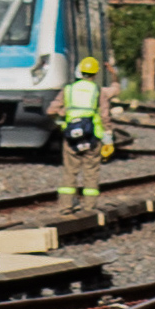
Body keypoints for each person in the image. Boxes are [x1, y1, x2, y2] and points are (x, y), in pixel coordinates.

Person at [49, 56, 106, 214]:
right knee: (91, 171)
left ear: (80, 71)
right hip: (92, 136)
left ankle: (65, 206)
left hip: (71, 137)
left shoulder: (68, 89)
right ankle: (89, 207)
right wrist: (108, 137)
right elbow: (105, 116)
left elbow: (51, 110)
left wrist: (61, 120)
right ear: (96, 73)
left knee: (70, 171)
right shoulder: (97, 91)